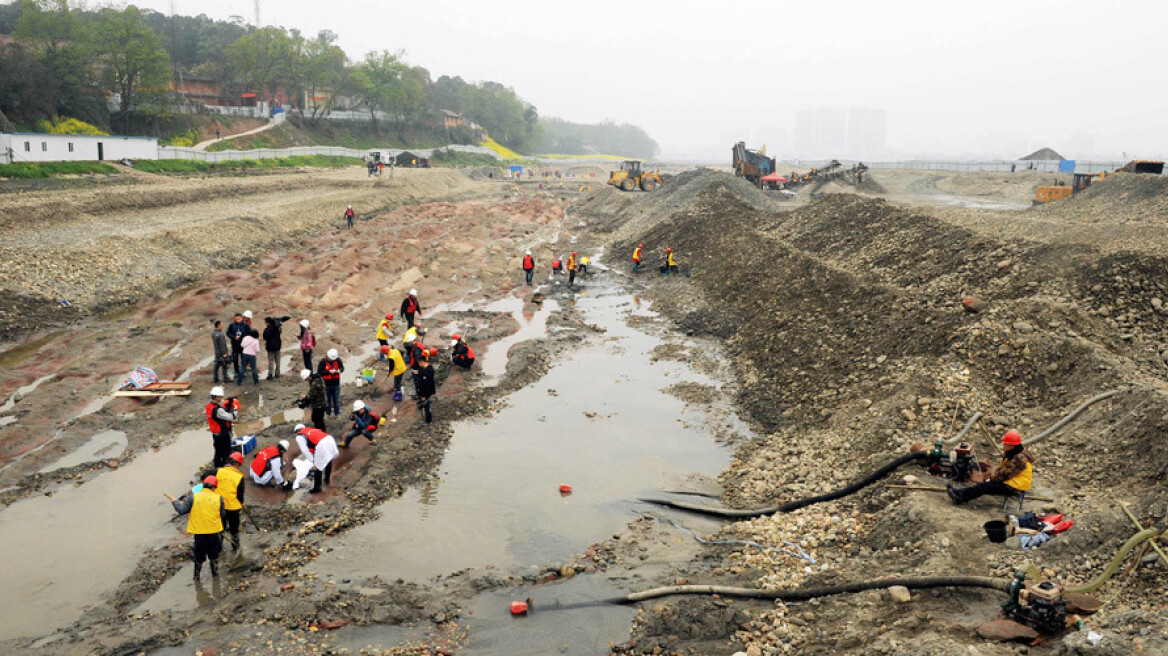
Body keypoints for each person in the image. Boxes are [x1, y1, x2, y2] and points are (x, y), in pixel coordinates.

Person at [948, 431, 1035, 504]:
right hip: (1011, 481)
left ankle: (960, 498)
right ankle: (959, 493)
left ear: (1011, 445)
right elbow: (1004, 469)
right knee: (985, 485)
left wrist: (991, 479)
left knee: (984, 486)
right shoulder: (1014, 453)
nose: (1003, 445)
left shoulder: (1019, 459)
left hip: (1014, 487)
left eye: (1005, 444)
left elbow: (1005, 474)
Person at [188, 475, 226, 580]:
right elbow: (222, 516)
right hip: (214, 532)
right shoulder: (218, 498)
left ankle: (196, 577)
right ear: (213, 487)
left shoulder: (193, 497)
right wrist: (221, 530)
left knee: (199, 557)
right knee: (214, 556)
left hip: (199, 534)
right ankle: (215, 576)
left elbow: (182, 510)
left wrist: (174, 501)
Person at [294, 424, 339, 494]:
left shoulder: (299, 437)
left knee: (317, 467)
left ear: (297, 432)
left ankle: (317, 487)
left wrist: (313, 461)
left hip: (322, 444)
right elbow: (313, 444)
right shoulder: (311, 430)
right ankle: (327, 479)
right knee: (328, 460)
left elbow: (305, 451)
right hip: (329, 439)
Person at [216, 452, 246, 550]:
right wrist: (241, 503)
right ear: (237, 464)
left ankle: (219, 547)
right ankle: (235, 546)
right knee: (234, 528)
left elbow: (205, 479)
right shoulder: (239, 477)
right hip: (232, 507)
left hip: (218, 505)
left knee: (221, 527)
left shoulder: (217, 471)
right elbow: (240, 495)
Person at [206, 387, 239, 468]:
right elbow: (231, 417)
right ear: (216, 397)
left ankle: (216, 467)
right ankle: (224, 468)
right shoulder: (218, 410)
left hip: (215, 434)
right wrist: (235, 409)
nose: (221, 398)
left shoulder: (209, 406)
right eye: (220, 397)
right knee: (226, 452)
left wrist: (225, 409)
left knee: (218, 452)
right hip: (222, 434)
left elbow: (220, 414)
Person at [318, 349, 344, 416]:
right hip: (327, 385)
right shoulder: (322, 362)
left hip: (336, 385)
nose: (332, 360)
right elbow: (319, 372)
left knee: (336, 401)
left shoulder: (338, 360)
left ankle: (337, 414)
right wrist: (329, 372)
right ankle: (328, 414)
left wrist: (339, 370)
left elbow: (342, 368)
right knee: (327, 401)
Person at [415, 353, 436, 424]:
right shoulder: (429, 368)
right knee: (426, 404)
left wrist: (423, 395)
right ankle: (427, 418)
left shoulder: (426, 373)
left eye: (419, 363)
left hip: (426, 392)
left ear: (421, 362)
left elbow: (425, 384)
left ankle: (428, 421)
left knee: (426, 406)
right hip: (429, 390)